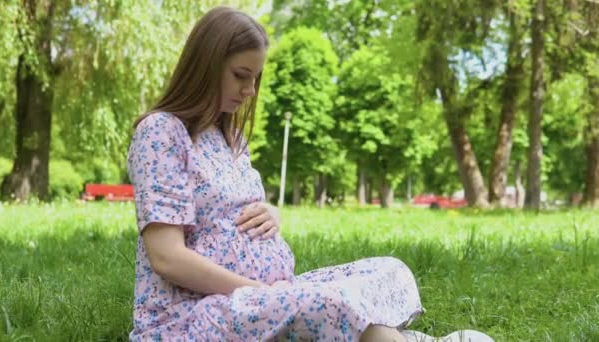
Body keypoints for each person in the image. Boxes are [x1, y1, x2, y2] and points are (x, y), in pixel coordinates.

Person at [126, 6, 493, 342]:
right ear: (206, 63)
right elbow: (167, 257)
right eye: (241, 75)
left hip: (268, 292)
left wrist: (272, 214)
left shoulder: (229, 136)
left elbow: (234, 210)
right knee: (330, 303)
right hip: (191, 314)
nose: (250, 91)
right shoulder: (162, 132)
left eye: (255, 78)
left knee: (389, 271)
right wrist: (259, 291)